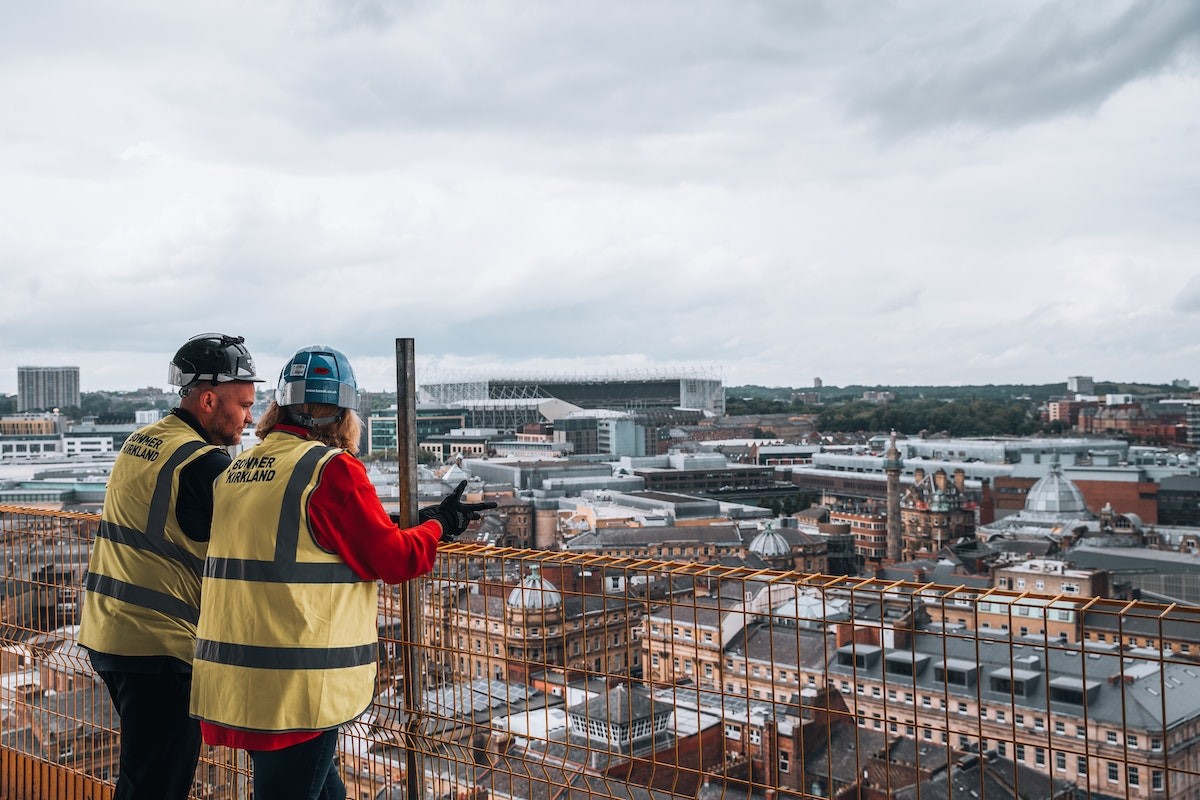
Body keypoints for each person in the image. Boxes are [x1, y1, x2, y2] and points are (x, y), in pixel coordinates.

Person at [189, 344, 495, 800]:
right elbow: (391, 559)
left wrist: (413, 522)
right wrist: (441, 525)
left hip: (238, 679)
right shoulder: (330, 470)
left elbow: (312, 536)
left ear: (281, 406)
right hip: (296, 687)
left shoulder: (239, 469)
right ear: (341, 414)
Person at [78, 333, 262, 800]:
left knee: (144, 777)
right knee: (156, 786)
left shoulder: (142, 441)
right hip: (159, 648)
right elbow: (274, 528)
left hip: (108, 632)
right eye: (242, 404)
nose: (250, 417)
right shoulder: (204, 464)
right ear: (207, 400)